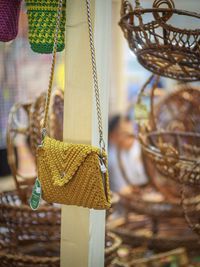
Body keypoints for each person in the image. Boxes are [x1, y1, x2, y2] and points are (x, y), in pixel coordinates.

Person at [108, 115, 148, 192]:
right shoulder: (112, 158)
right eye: (127, 134)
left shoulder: (133, 148)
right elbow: (123, 190)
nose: (132, 138)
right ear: (113, 136)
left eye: (132, 133)